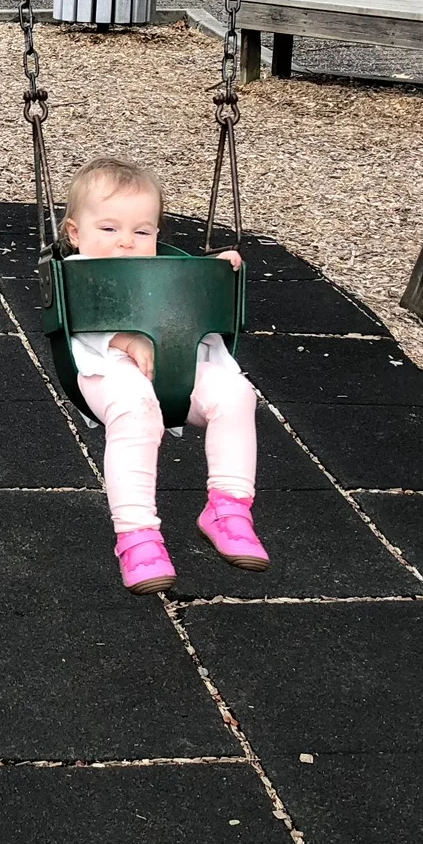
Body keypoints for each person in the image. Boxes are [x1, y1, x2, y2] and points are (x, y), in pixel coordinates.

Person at [61, 157, 268, 593]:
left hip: (177, 368)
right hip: (106, 373)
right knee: (136, 409)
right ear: (76, 233)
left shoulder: (155, 269)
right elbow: (74, 323)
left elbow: (187, 296)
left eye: (141, 232)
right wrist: (125, 340)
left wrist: (215, 271)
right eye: (109, 228)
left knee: (237, 393)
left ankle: (228, 508)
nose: (126, 242)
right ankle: (137, 537)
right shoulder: (75, 271)